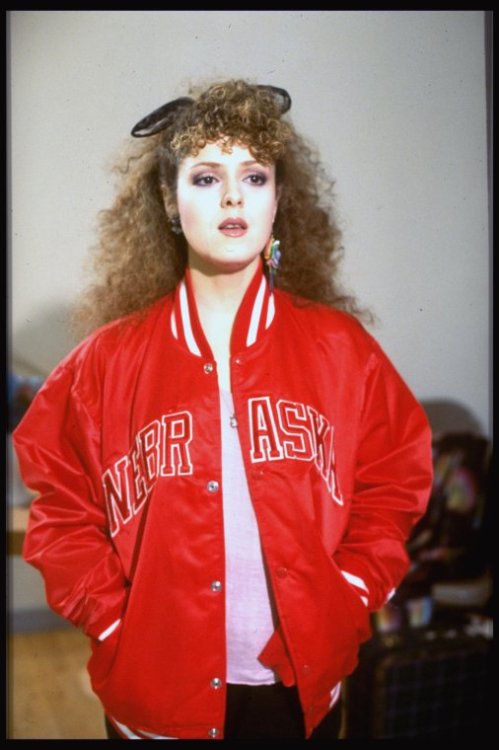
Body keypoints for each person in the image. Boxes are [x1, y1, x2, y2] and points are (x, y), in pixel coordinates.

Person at [13, 79, 433, 740]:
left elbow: (393, 482)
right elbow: (60, 515)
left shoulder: (340, 350)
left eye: (255, 175)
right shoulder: (101, 365)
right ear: (168, 203)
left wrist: (350, 594)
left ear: (278, 200)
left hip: (300, 693)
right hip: (156, 700)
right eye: (206, 177)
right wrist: (116, 622)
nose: (234, 195)